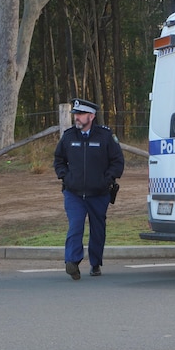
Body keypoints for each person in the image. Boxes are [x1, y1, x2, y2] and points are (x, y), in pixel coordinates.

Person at [53, 98, 125, 280]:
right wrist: (65, 177)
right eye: (75, 114)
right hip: (73, 193)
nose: (76, 118)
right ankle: (72, 262)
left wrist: (106, 180)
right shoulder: (69, 136)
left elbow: (117, 162)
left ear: (91, 116)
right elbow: (59, 160)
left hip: (99, 194)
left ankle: (95, 263)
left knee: (97, 229)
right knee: (75, 226)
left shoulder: (105, 136)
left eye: (80, 115)